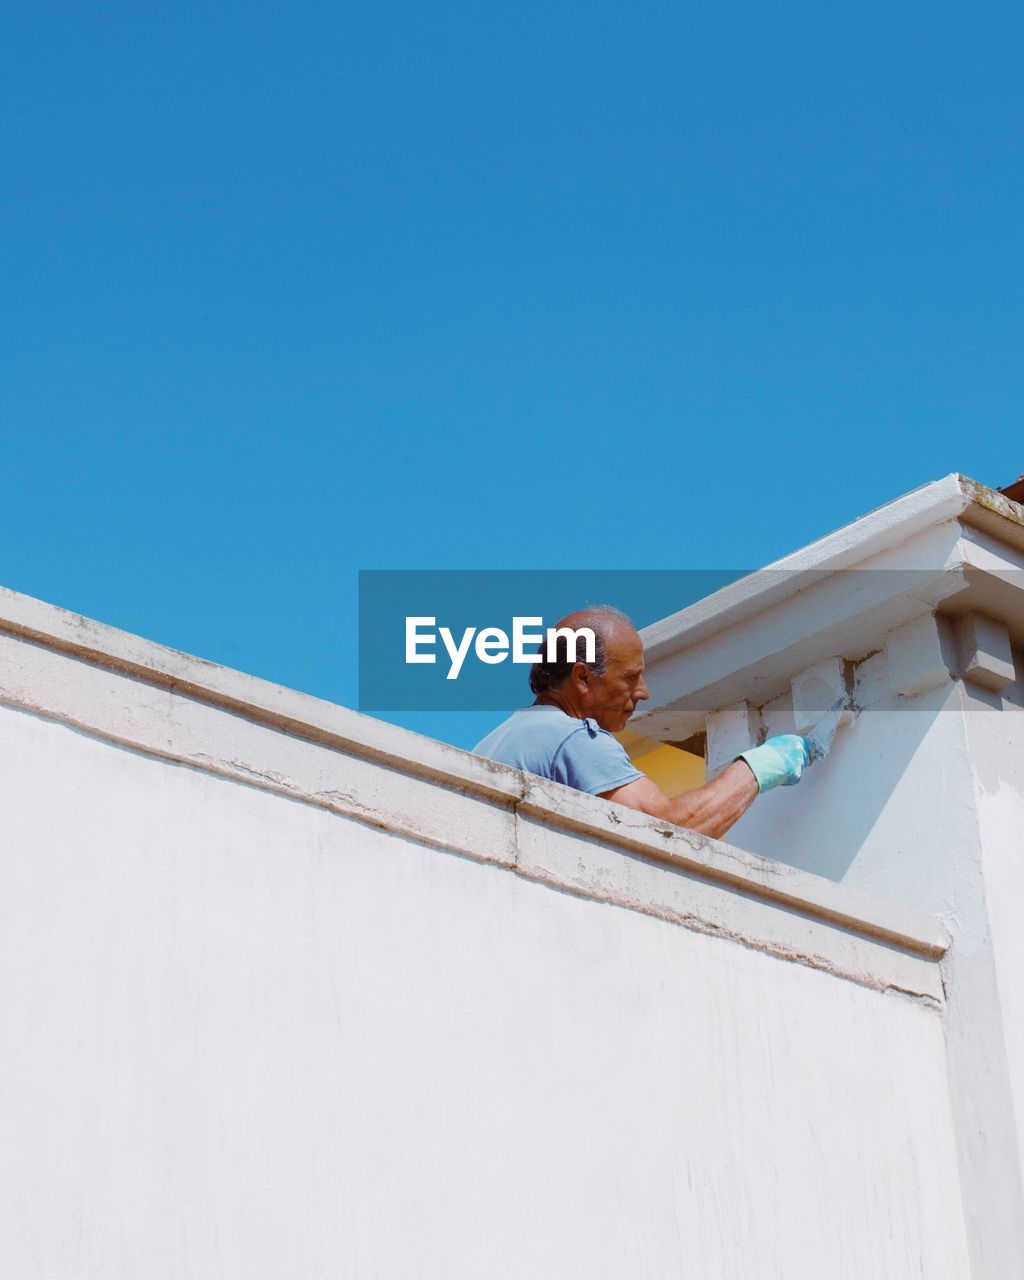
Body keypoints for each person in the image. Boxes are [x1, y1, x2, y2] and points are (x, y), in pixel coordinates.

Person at [473, 605, 816, 840]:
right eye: (630, 677)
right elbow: (670, 833)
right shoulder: (571, 738)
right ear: (582, 679)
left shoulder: (504, 737)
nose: (643, 692)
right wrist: (759, 768)